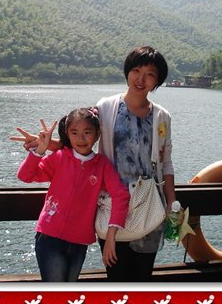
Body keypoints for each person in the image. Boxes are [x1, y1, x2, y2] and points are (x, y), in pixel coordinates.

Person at [14, 46, 176, 282]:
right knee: (117, 277)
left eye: (150, 74)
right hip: (112, 207)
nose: (141, 79)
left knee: (143, 277)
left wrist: (172, 202)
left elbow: (166, 162)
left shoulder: (162, 117)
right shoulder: (106, 107)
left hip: (149, 206)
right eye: (136, 71)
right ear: (127, 72)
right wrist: (46, 146)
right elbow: (82, 137)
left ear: (157, 80)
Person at [17, 107, 130, 282]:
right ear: (67, 134)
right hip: (49, 236)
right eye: (74, 133)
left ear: (97, 134)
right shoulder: (60, 157)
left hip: (79, 241)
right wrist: (39, 151)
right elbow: (25, 176)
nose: (81, 139)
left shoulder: (101, 165)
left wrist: (111, 236)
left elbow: (121, 195)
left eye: (87, 132)